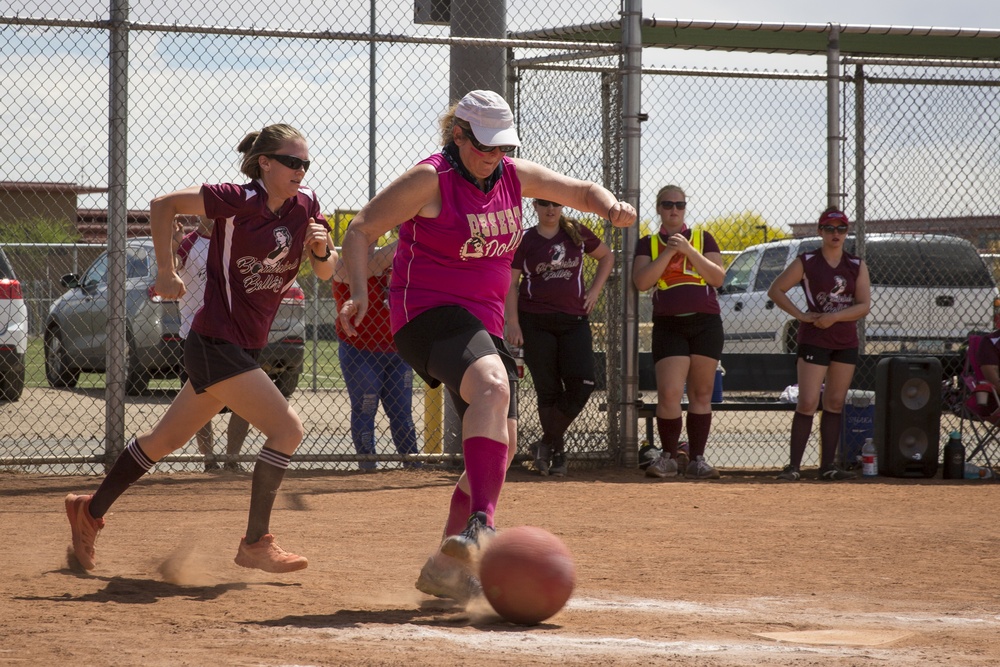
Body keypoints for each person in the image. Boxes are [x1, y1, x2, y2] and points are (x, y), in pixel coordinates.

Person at [338, 89, 635, 602]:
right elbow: (362, 229)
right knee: (494, 390)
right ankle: (481, 526)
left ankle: (443, 567)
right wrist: (362, 293)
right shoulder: (431, 179)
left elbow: (582, 191)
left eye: (502, 146)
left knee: (503, 441)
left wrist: (612, 206)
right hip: (426, 313)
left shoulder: (513, 176)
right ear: (458, 136)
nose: (494, 156)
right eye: (484, 145)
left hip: (482, 324)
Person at [64, 123, 336, 573]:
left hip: (237, 348)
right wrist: (167, 272)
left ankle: (89, 509)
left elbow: (327, 275)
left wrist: (323, 251)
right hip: (214, 342)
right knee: (287, 430)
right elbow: (163, 205)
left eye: (305, 163)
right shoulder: (238, 198)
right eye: (291, 162)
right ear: (264, 163)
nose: (301, 171)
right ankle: (255, 542)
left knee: (164, 440)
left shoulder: (305, 206)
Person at [504, 199, 613, 477]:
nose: (550, 209)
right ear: (535, 207)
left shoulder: (576, 231)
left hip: (573, 321)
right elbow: (510, 284)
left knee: (583, 383)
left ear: (562, 207)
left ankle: (545, 444)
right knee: (549, 390)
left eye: (556, 204)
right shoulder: (525, 239)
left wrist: (595, 291)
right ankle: (558, 455)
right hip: (535, 322)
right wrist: (513, 323)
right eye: (544, 204)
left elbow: (607, 257)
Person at [767, 207, 871, 481]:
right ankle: (794, 467)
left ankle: (827, 467)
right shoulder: (808, 261)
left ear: (847, 232)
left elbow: (863, 306)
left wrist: (835, 316)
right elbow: (776, 289)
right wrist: (801, 315)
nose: (835, 234)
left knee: (835, 402)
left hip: (844, 340)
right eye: (829, 228)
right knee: (808, 402)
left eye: (841, 228)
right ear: (820, 231)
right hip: (814, 340)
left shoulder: (856, 265)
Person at [632, 185, 726, 480]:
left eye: (679, 204)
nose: (674, 209)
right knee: (670, 392)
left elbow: (717, 277)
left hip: (705, 324)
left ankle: (697, 458)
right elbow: (642, 282)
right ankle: (669, 457)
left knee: (701, 392)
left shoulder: (702, 238)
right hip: (670, 325)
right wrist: (669, 251)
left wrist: (687, 249)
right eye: (667, 204)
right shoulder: (648, 243)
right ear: (658, 208)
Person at [331, 237, 420, 471]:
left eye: (371, 238)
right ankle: (368, 465)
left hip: (396, 351)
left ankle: (412, 463)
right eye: (361, 238)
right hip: (361, 351)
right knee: (366, 407)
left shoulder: (394, 262)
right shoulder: (343, 265)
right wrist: (414, 229)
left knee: (402, 411)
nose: (367, 243)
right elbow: (376, 263)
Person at [173, 216, 251, 473]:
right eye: (206, 208)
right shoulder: (188, 244)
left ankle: (232, 459)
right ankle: (209, 460)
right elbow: (172, 270)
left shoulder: (233, 242)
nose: (213, 214)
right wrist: (172, 247)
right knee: (201, 399)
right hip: (195, 334)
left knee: (245, 399)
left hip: (233, 333)